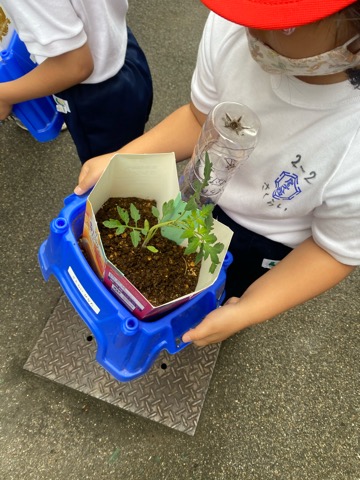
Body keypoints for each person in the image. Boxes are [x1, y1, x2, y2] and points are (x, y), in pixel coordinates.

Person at [74, 0, 360, 346]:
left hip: (266, 236)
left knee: (227, 293)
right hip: (201, 190)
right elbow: (199, 119)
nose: (250, 30)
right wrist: (123, 158)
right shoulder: (232, 26)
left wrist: (249, 309)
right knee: (170, 258)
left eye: (282, 21)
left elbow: (333, 251)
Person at [0, 1, 153, 163]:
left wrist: (4, 96)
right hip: (118, 44)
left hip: (96, 94)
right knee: (130, 148)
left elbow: (75, 66)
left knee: (109, 170)